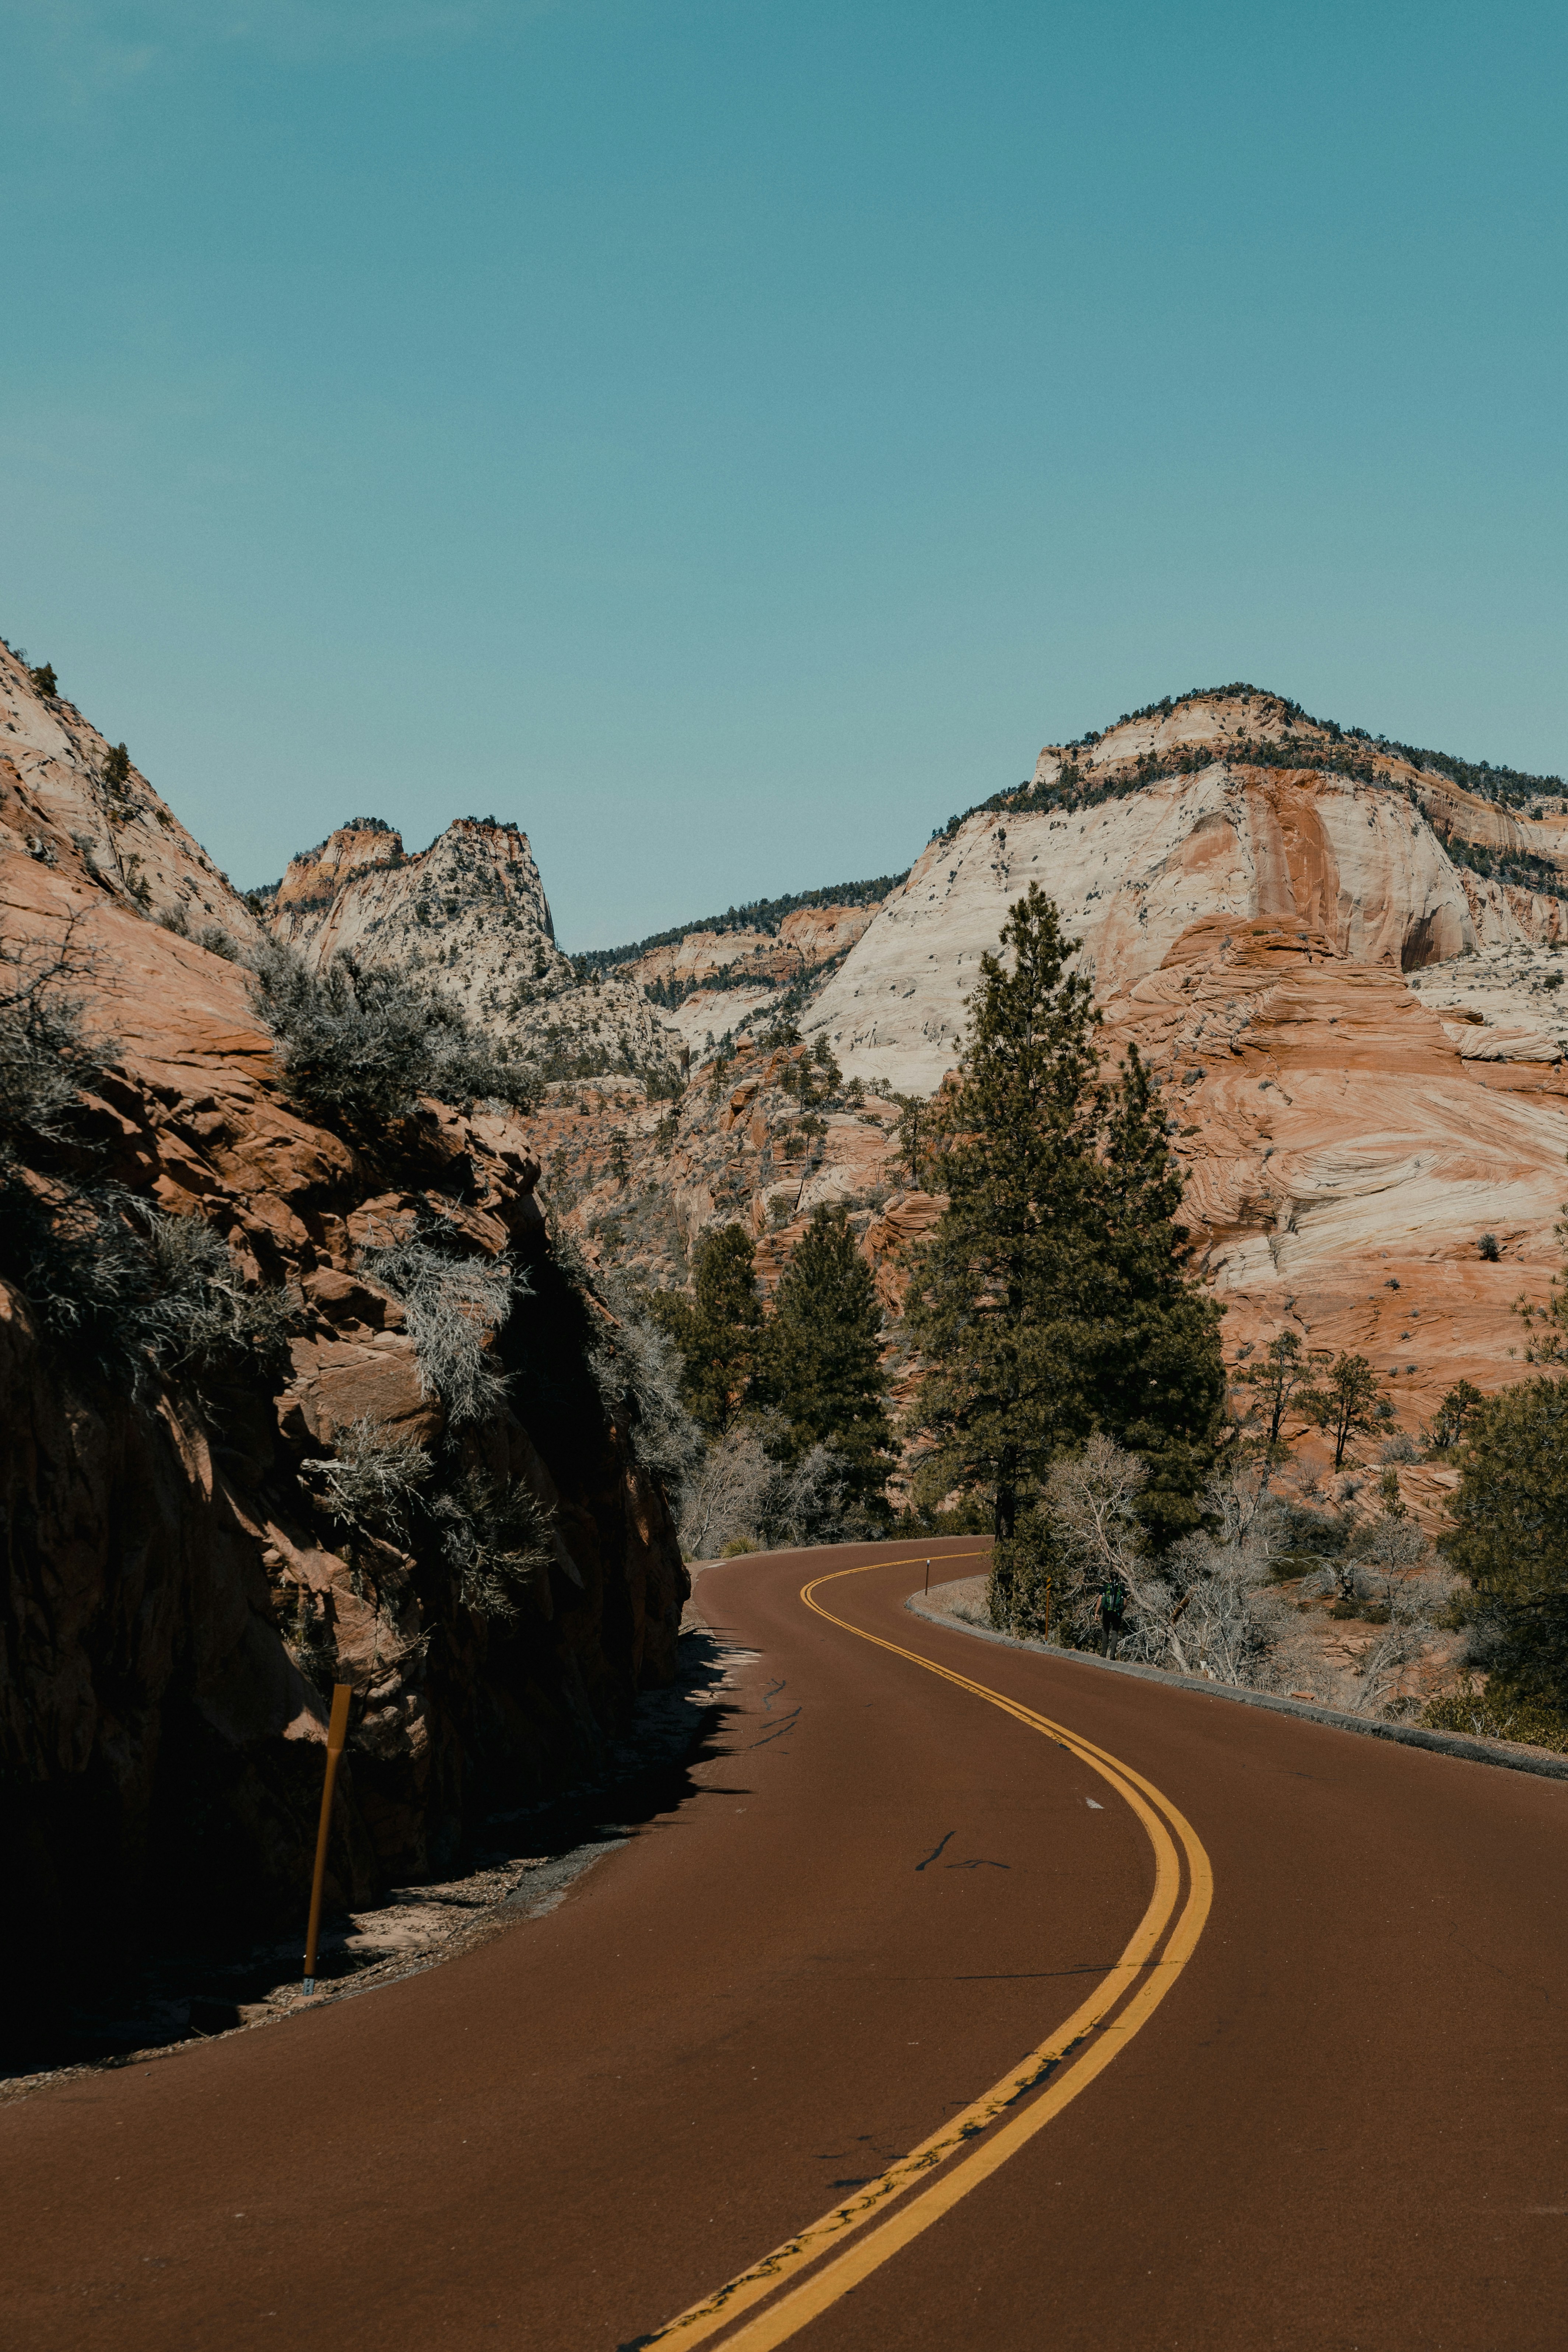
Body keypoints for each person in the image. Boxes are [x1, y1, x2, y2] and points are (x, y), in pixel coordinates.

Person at [1099, 1577, 1127, 1655]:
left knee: (1106, 1632)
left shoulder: (1105, 1588)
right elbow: (1125, 1604)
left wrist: (1097, 1612)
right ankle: (1112, 1655)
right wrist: (1121, 1612)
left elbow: (1100, 1600)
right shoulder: (1121, 1589)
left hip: (1107, 1613)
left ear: (1109, 1578)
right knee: (1115, 1633)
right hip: (1117, 1614)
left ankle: (1104, 1653)